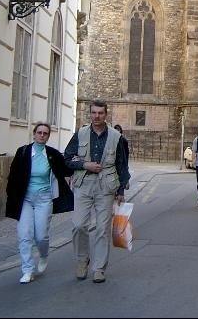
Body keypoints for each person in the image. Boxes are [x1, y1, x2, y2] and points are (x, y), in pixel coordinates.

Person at [64, 100, 130, 284]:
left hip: (106, 186)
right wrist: (84, 164)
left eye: (100, 113)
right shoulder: (81, 133)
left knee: (102, 229)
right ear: (90, 114)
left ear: (106, 115)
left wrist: (121, 190)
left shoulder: (117, 137)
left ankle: (99, 268)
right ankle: (82, 260)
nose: (96, 116)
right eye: (93, 113)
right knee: (78, 225)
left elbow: (122, 165)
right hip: (83, 183)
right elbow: (67, 158)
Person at [5, 122, 74, 284]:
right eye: (39, 132)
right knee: (24, 235)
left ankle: (43, 255)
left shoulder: (52, 154)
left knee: (41, 235)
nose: (42, 135)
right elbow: (13, 175)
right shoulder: (23, 152)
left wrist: (77, 160)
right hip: (26, 200)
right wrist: (11, 196)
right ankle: (27, 270)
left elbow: (66, 169)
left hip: (44, 199)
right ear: (34, 134)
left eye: (45, 133)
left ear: (48, 136)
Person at [113, 124, 131, 189]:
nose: (117, 131)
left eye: (118, 129)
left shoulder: (124, 140)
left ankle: (122, 190)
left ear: (120, 131)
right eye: (115, 129)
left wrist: (126, 163)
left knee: (122, 177)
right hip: (114, 162)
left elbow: (126, 153)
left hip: (122, 161)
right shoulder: (112, 140)